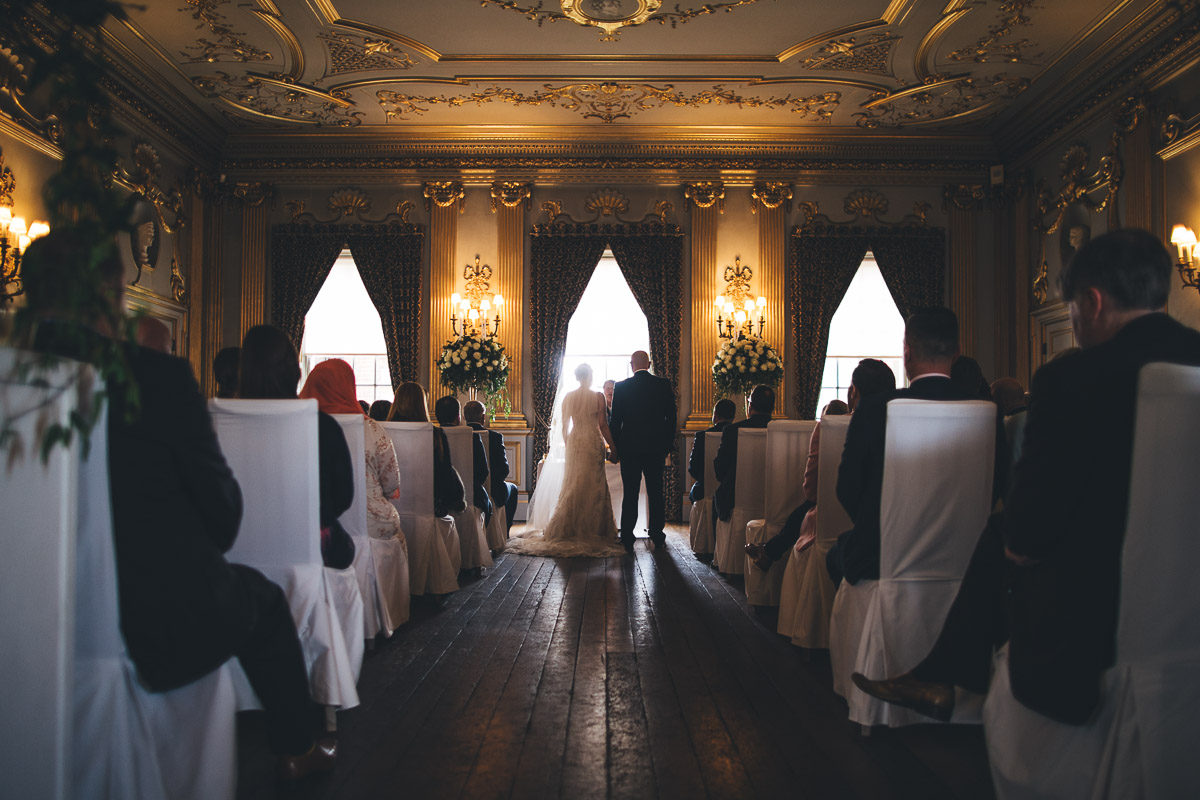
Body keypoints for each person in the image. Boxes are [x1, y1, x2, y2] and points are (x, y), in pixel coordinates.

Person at [852, 229, 1200, 726]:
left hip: (1097, 609)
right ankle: (940, 675)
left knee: (1004, 536)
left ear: (1093, 302)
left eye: (1072, 309)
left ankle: (945, 677)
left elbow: (1030, 529)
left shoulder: (1070, 379)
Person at [22, 231, 335, 780]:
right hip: (153, 621)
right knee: (264, 601)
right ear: (109, 297)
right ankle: (296, 750)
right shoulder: (156, 378)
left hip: (22, 615)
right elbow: (222, 517)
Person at [827, 307, 1005, 587]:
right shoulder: (988, 413)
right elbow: (995, 485)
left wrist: (885, 529)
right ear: (957, 352)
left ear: (907, 353)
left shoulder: (874, 409)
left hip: (883, 556)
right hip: (967, 557)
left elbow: (848, 488)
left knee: (835, 556)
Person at [745, 359, 896, 572]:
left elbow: (812, 490)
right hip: (897, 523)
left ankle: (770, 552)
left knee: (809, 506)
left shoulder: (830, 427)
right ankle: (770, 551)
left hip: (837, 522)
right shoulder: (905, 425)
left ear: (853, 392)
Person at [239, 325, 356, 570]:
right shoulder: (322, 427)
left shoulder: (220, 425)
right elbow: (343, 497)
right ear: (296, 371)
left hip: (238, 551)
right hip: (307, 554)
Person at [507, 363, 625, 557]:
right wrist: (613, 448)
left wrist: (569, 444)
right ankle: (596, 529)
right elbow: (603, 425)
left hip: (575, 441)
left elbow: (563, 426)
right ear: (590, 376)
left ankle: (566, 528)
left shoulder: (569, 397)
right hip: (592, 442)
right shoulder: (598, 397)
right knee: (594, 484)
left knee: (573, 483)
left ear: (577, 377)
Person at [300, 359, 407, 543]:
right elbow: (391, 483)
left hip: (309, 521)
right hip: (371, 523)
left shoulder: (297, 427)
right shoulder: (372, 429)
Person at [610, 350, 677, 552]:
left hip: (629, 449)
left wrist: (616, 448)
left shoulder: (621, 387)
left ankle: (627, 536)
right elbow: (671, 418)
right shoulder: (663, 384)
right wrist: (667, 446)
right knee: (656, 492)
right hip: (656, 449)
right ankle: (657, 534)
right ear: (649, 364)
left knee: (630, 493)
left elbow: (615, 422)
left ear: (631, 365)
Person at [388, 382, 466, 519]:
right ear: (422, 403)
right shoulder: (435, 434)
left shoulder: (383, 431)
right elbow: (445, 474)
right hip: (429, 507)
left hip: (390, 506)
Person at [712, 383, 775, 525]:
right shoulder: (781, 431)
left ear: (750, 406)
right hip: (773, 500)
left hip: (734, 501)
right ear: (773, 408)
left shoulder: (732, 431)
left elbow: (719, 471)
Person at [434, 395, 492, 524]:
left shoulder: (432, 437)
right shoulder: (473, 437)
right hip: (473, 499)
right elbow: (483, 472)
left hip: (437, 500)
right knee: (488, 506)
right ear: (458, 417)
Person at [464, 399, 519, 532]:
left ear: (464, 417)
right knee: (514, 488)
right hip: (493, 490)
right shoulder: (495, 437)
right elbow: (504, 470)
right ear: (483, 418)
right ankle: (505, 532)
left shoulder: (458, 436)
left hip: (464, 490)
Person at [688, 398, 736, 504]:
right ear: (733, 417)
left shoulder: (701, 436)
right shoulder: (737, 436)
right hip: (730, 494)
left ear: (715, 415)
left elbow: (693, 469)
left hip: (703, 493)